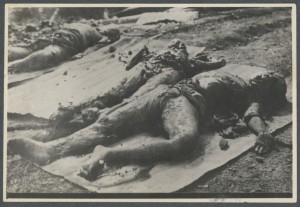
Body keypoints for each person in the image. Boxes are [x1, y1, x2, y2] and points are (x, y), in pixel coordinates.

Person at [8, 60, 287, 181]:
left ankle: (106, 154)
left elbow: (252, 116)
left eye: (270, 80)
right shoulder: (238, 76)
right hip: (168, 94)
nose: (263, 76)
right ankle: (50, 150)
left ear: (269, 92)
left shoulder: (252, 97)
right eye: (266, 74)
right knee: (107, 122)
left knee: (183, 141)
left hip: (183, 102)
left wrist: (263, 133)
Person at [35, 39, 226, 141]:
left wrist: (209, 62)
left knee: (135, 99)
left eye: (181, 45)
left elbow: (210, 64)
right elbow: (133, 60)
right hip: (146, 67)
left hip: (169, 71)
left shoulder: (187, 61)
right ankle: (75, 113)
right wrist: (138, 61)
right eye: (175, 44)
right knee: (114, 92)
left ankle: (94, 118)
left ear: (184, 51)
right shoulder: (153, 53)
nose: (178, 45)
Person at [8, 23, 121, 73]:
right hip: (68, 41)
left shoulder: (85, 25)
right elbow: (93, 48)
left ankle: (8, 53)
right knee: (49, 53)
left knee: (30, 48)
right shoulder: (100, 36)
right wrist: (81, 54)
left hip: (57, 34)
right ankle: (13, 65)